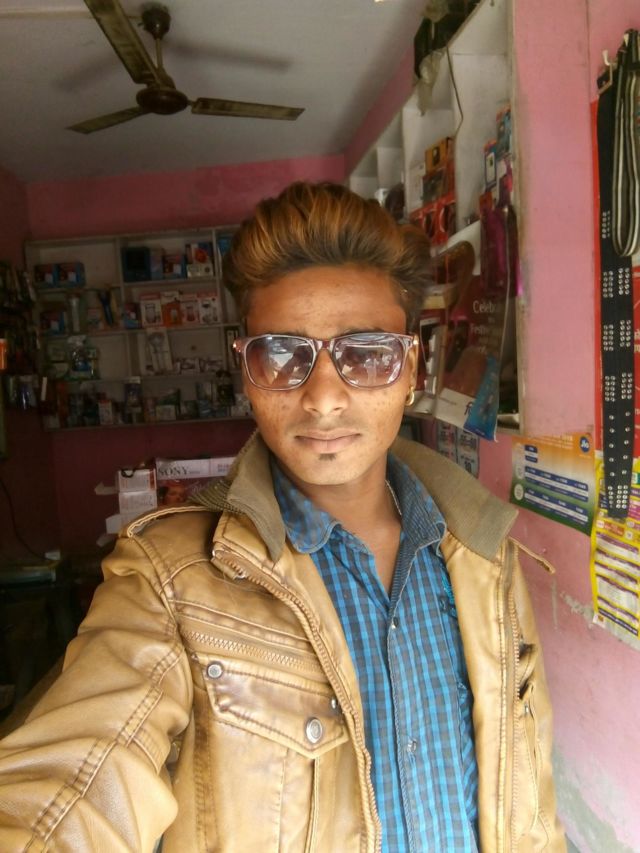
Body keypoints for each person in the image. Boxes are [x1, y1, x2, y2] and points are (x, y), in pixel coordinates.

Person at [0, 182, 565, 852]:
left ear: (412, 366)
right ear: (245, 371)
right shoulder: (170, 583)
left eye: (366, 354)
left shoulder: (486, 555)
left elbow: (529, 804)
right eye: (282, 355)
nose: (323, 399)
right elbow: (75, 782)